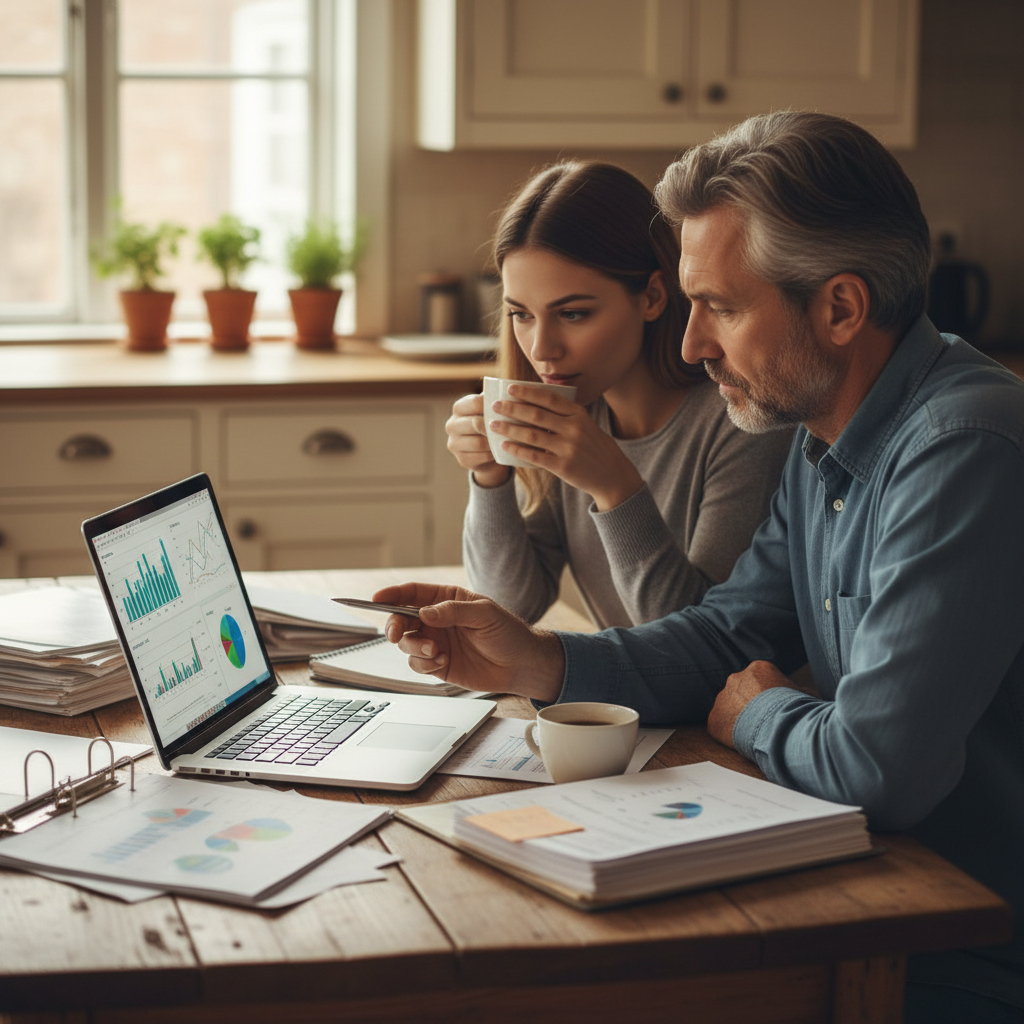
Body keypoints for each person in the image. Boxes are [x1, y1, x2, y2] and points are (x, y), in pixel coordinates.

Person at [379, 112, 1024, 1022]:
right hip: (876, 891)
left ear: (839, 308)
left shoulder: (964, 446)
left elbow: (879, 769)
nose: (688, 344)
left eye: (719, 306)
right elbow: (728, 630)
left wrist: (757, 710)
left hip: (962, 945)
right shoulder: (824, 434)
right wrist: (538, 663)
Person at [446, 160, 792, 628]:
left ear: (651, 296)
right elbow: (510, 607)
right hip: (628, 700)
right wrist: (490, 480)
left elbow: (704, 645)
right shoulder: (574, 411)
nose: (541, 348)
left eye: (572, 314)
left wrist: (614, 487)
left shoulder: (739, 423)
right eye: (521, 314)